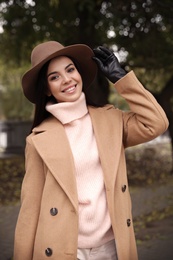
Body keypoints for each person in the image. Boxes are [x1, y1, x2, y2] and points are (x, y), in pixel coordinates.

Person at [13, 41, 168, 260]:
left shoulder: (111, 120)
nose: (67, 79)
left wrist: (120, 79)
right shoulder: (38, 140)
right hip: (64, 248)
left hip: (112, 247)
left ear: (79, 73)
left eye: (70, 70)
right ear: (47, 88)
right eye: (54, 76)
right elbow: (30, 209)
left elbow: (156, 123)